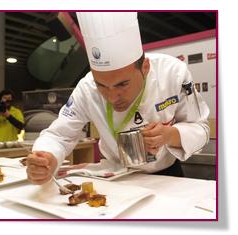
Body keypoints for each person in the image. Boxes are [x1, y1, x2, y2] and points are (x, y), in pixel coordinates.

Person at [26, 12, 210, 184]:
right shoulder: (87, 87)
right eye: (102, 85)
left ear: (145, 68)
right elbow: (59, 135)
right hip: (115, 178)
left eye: (122, 84)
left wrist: (171, 135)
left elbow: (201, 128)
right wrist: (47, 157)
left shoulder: (172, 73)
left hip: (167, 177)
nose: (113, 97)